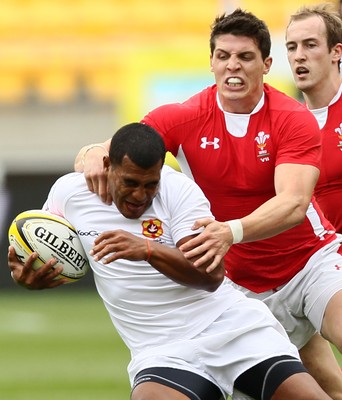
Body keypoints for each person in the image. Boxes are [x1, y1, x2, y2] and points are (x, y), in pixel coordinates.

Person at [73, 8, 342, 398]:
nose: (233, 65)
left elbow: (294, 203)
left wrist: (229, 232)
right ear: (212, 62)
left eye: (245, 57)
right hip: (238, 288)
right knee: (328, 390)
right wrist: (94, 153)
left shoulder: (292, 117)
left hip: (310, 264)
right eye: (223, 56)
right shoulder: (184, 116)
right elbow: (122, 150)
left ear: (266, 65)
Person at [8, 122, 335, 400]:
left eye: (151, 185)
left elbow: (212, 276)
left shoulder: (180, 192)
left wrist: (147, 249)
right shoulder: (69, 194)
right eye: (130, 183)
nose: (140, 195)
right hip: (161, 349)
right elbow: (46, 247)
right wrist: (29, 275)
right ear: (108, 166)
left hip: (231, 327)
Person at [286, 3, 342, 232]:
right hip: (316, 261)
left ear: (336, 52)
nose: (299, 56)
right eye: (292, 47)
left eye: (310, 45)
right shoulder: (285, 127)